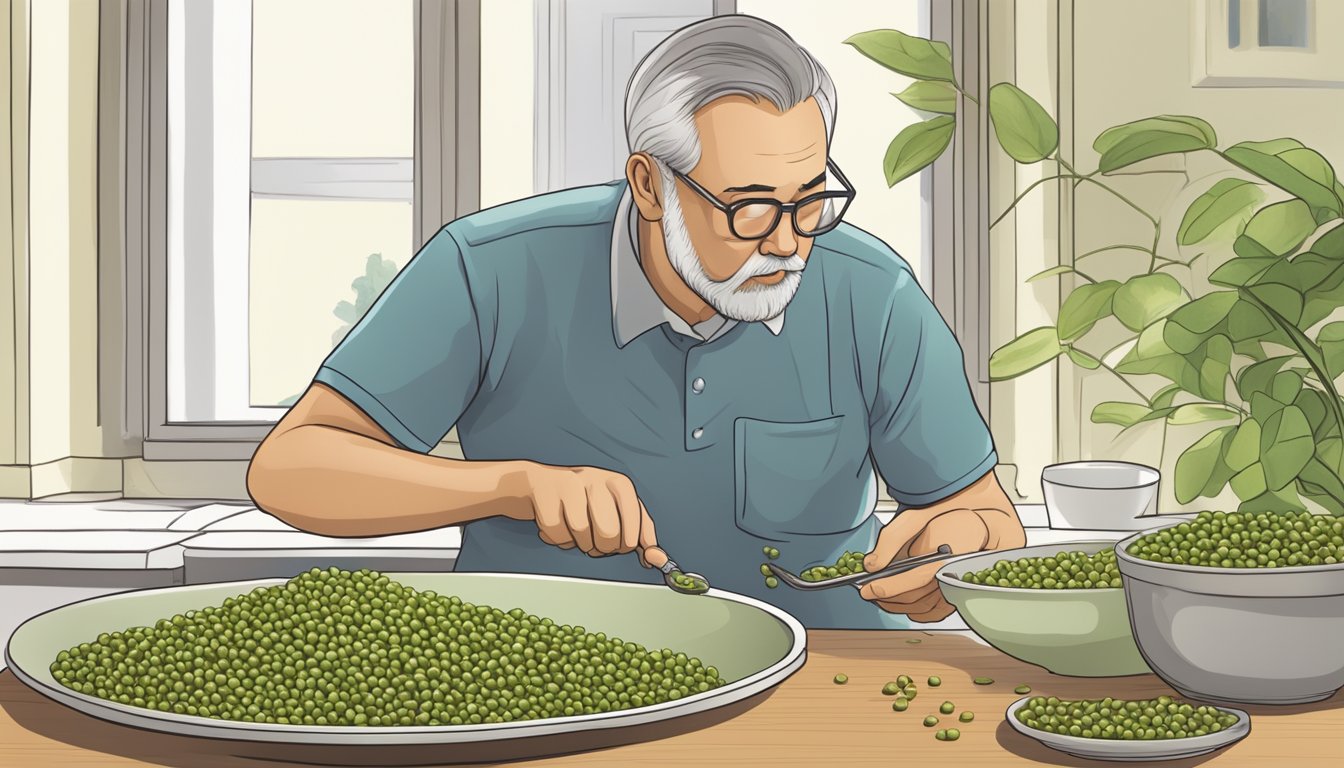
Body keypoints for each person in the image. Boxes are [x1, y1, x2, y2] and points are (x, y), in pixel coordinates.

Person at [246, 14, 1025, 629]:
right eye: (751, 208)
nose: (790, 243)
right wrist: (512, 487)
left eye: (813, 198)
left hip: (826, 683)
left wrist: (958, 552)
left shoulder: (873, 292)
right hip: (546, 683)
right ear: (650, 185)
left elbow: (984, 513)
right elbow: (291, 468)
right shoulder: (487, 268)